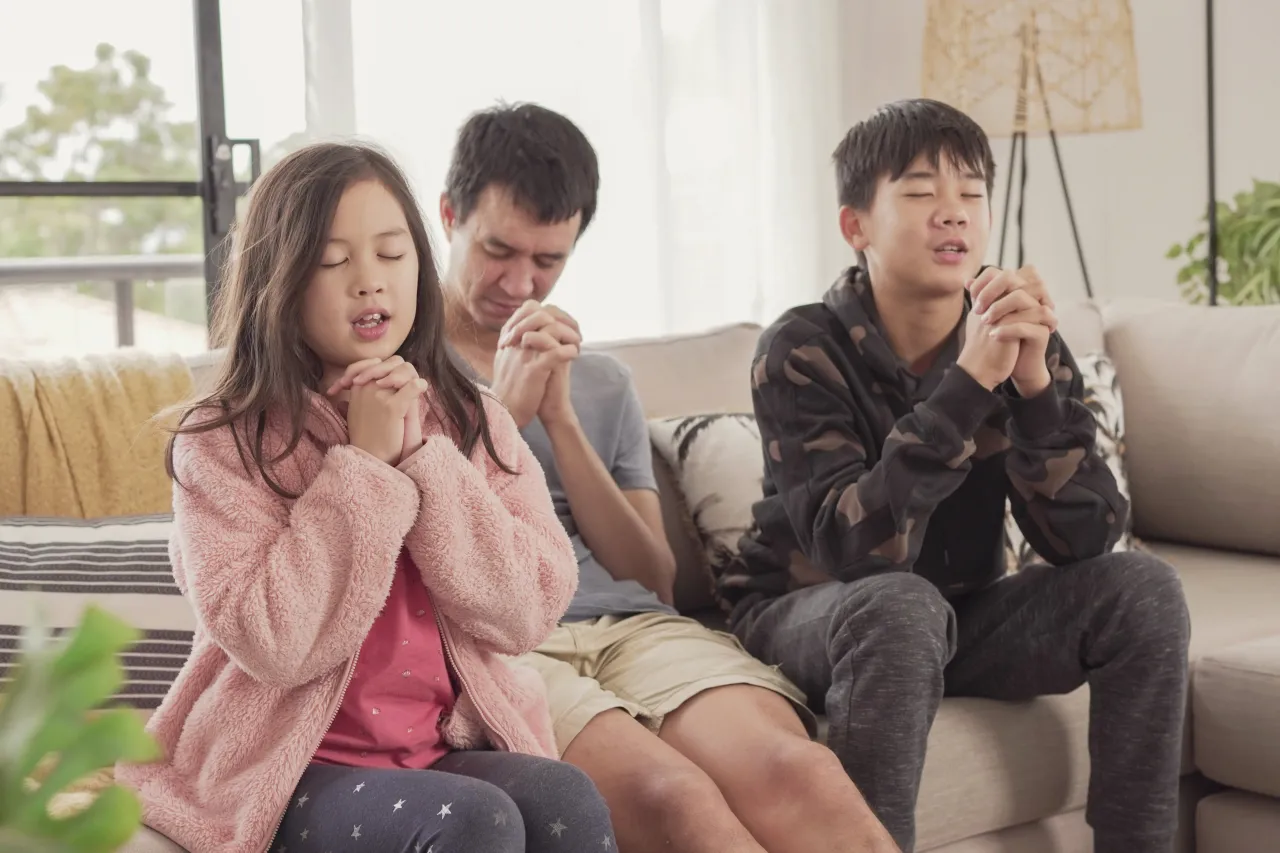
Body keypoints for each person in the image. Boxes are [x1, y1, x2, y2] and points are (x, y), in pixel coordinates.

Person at [118, 141, 617, 853]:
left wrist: (423, 461)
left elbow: (530, 608)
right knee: (477, 821)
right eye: (333, 261)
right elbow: (272, 641)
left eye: (391, 253)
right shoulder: (222, 442)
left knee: (566, 796)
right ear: (279, 280)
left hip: (436, 749)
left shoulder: (470, 419)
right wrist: (362, 468)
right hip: (285, 770)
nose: (369, 282)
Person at [727, 98, 1192, 853]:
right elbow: (854, 551)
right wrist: (968, 385)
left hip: (956, 615)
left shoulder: (1020, 336)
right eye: (920, 192)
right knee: (900, 604)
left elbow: (1084, 541)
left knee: (1144, 589)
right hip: (806, 615)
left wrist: (1035, 389)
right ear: (855, 225)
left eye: (972, 193)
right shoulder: (800, 347)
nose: (954, 212)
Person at [440, 102, 900, 853]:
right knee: (675, 797)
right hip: (504, 641)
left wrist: (561, 419)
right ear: (448, 216)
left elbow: (651, 576)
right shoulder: (396, 372)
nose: (521, 283)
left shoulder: (600, 380)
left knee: (801, 771)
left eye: (548, 260)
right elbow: (410, 548)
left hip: (633, 626)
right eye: (498, 249)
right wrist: (506, 415)